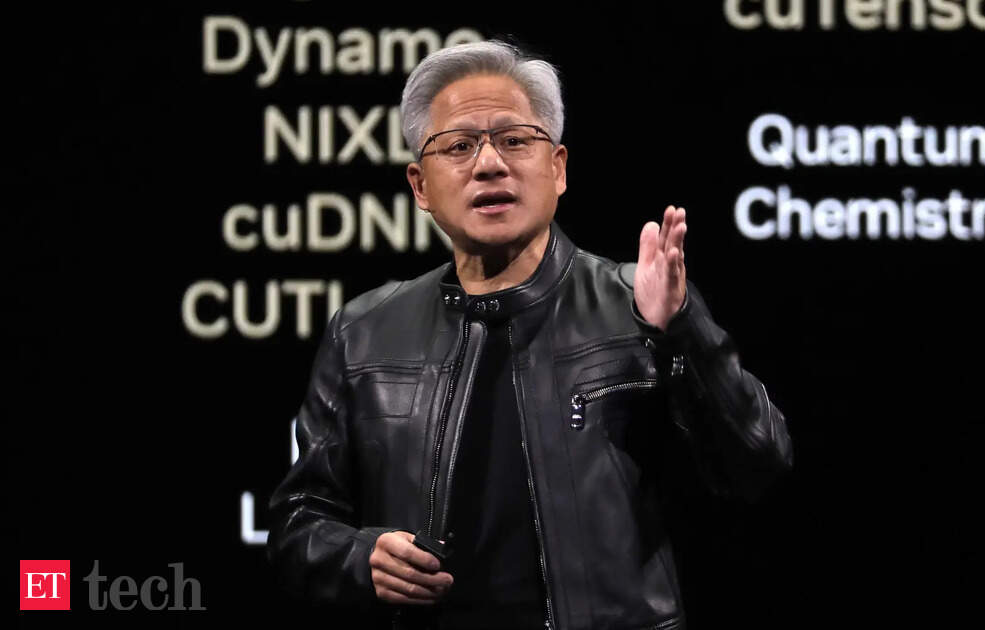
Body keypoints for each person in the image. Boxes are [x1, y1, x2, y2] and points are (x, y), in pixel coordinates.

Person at [267, 40, 793, 630]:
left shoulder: (639, 307)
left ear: (558, 167)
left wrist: (679, 331)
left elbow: (757, 465)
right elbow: (297, 524)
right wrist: (360, 558)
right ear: (420, 186)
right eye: (459, 146)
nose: (490, 163)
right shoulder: (364, 333)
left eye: (515, 140)